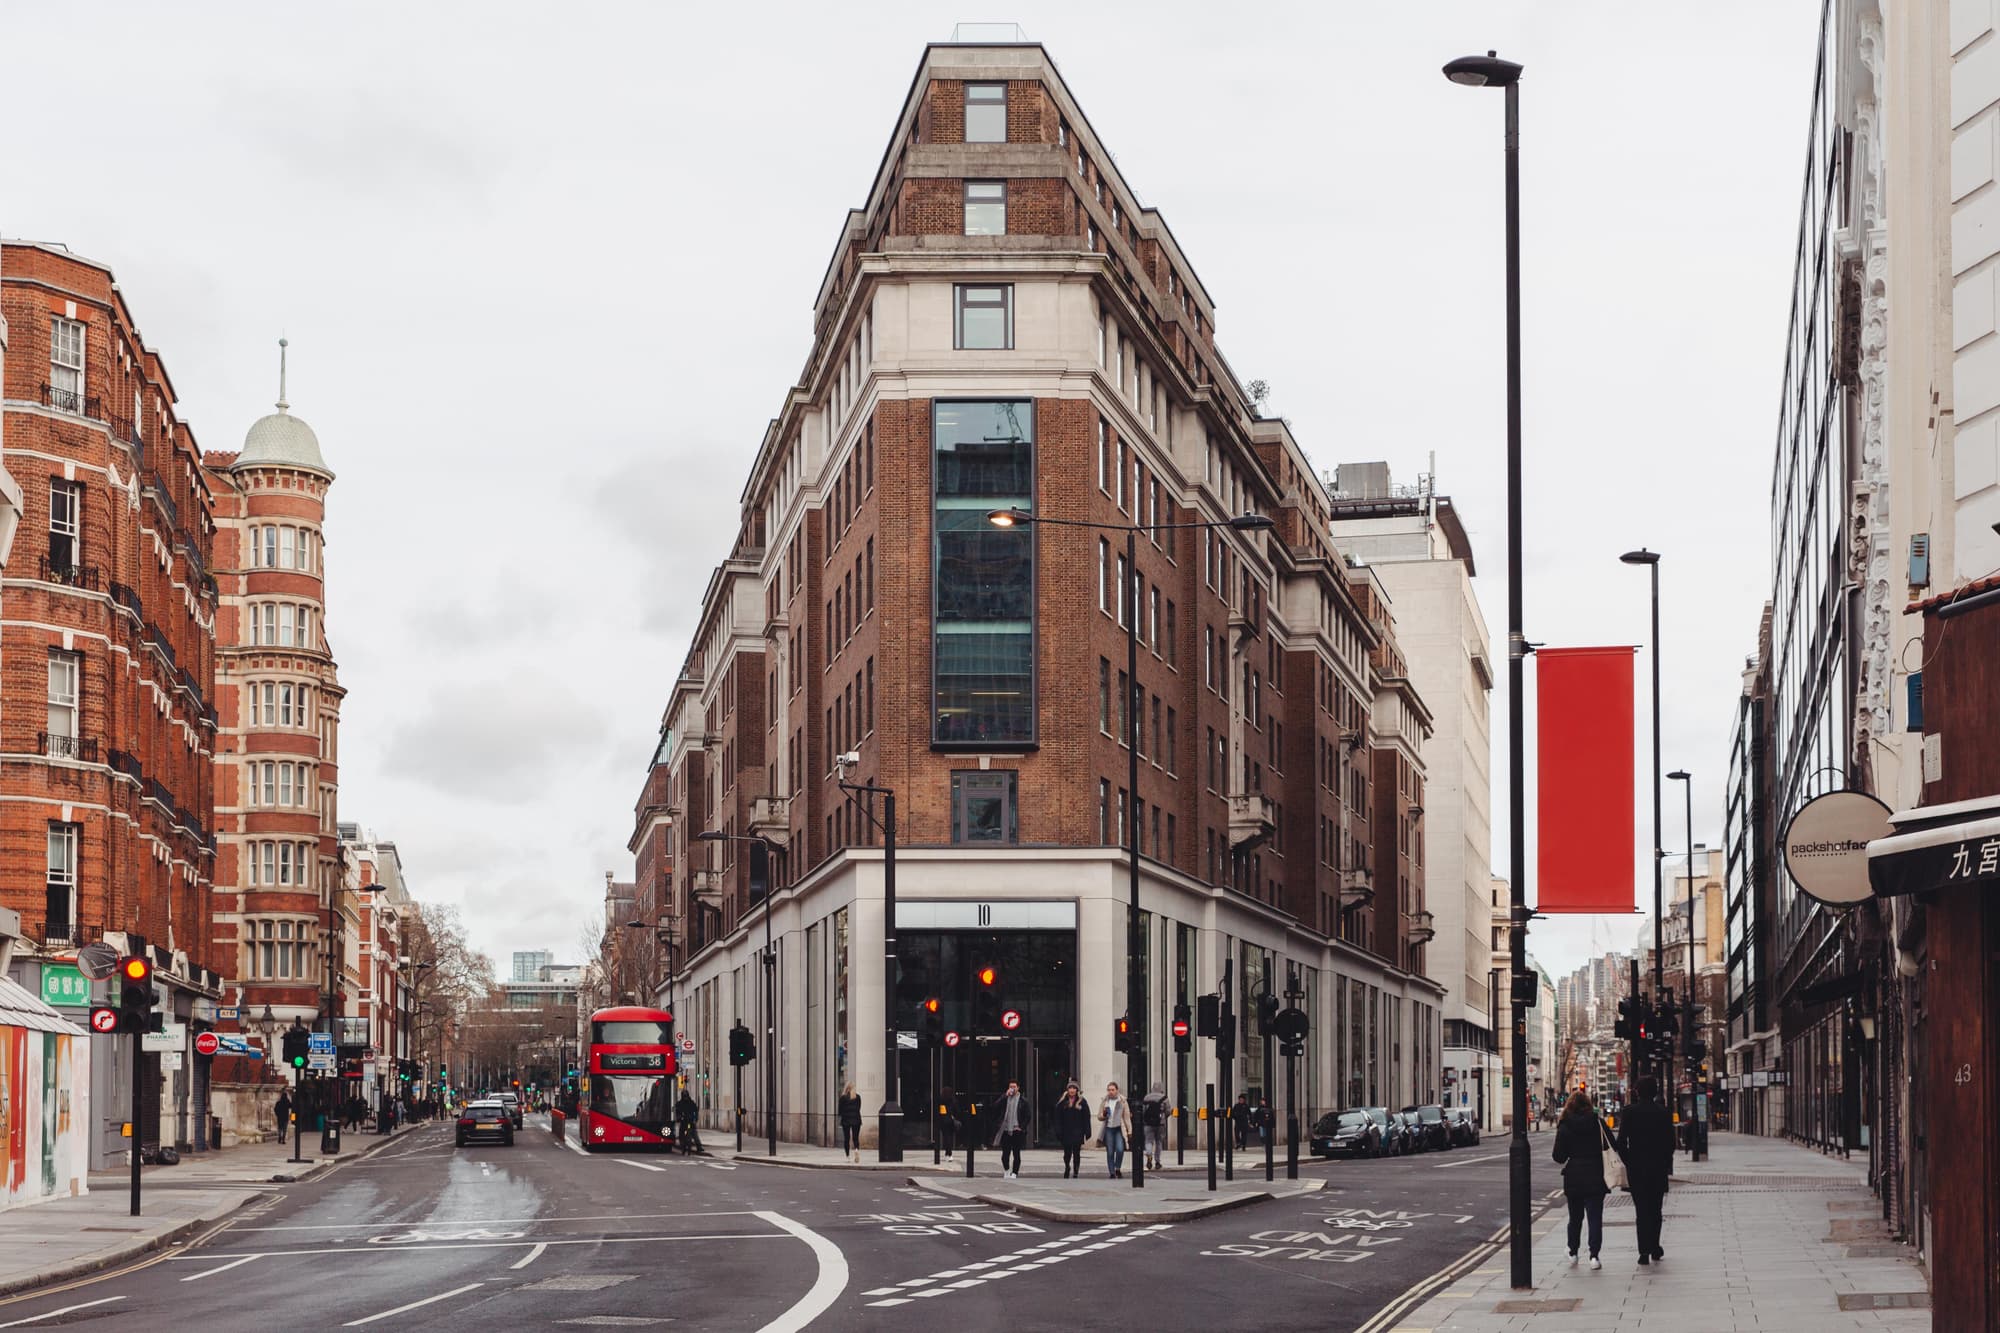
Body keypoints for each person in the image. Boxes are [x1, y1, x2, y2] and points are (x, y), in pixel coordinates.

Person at [1615, 1077, 1676, 1266]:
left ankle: (1643, 1252)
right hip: (1657, 1167)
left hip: (1637, 1168)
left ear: (1637, 1092)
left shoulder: (1629, 1112)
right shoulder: (1664, 1113)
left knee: (1641, 1210)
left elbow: (1621, 1142)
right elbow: (1670, 1143)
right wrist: (1665, 1162)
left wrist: (1629, 1161)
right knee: (1656, 1209)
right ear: (1656, 1091)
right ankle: (1655, 1246)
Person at [1552, 1088, 1611, 1269]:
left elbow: (1559, 1157)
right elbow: (1611, 1145)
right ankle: (1594, 1256)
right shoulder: (1598, 1123)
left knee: (1575, 1218)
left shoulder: (1565, 1125)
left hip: (1574, 1177)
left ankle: (1573, 1251)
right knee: (1595, 1218)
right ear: (1588, 1105)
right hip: (1595, 1174)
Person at [990, 1079, 1031, 1179]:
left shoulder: (1023, 1101)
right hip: (1005, 1129)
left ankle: (1015, 1172)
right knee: (1005, 1154)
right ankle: (1007, 1170)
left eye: (1014, 1087)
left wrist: (1021, 1127)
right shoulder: (1005, 1098)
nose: (1012, 1089)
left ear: (1018, 1088)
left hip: (1017, 1130)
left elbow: (1027, 1116)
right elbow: (995, 1107)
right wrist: (1004, 1096)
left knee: (1016, 1153)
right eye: (1010, 1087)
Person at [1053, 1081, 1091, 1179]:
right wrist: (1058, 1130)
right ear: (1067, 1089)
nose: (1072, 1090)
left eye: (1074, 1088)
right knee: (1067, 1152)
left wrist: (1087, 1131)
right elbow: (1057, 1117)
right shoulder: (1062, 1102)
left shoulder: (1082, 1102)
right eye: (1070, 1088)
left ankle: (1076, 1170)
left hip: (1078, 1131)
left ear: (1077, 1090)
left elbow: (1086, 1117)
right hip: (1066, 1131)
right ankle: (1067, 1167)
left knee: (1076, 1152)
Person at [1099, 1080, 1133, 1179]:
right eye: (1109, 1090)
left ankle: (1117, 1167)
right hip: (1109, 1128)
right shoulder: (1105, 1101)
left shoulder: (1122, 1101)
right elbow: (1099, 1116)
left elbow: (1127, 1117)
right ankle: (1112, 1172)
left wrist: (1130, 1131)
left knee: (1120, 1149)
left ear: (1117, 1090)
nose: (1111, 1092)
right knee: (1110, 1151)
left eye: (1113, 1090)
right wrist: (1104, 1115)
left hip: (1119, 1128)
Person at [1140, 1081, 1170, 1171]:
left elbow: (1143, 1110)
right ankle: (1157, 1162)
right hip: (1160, 1123)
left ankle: (1149, 1154)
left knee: (1148, 1141)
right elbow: (1168, 1110)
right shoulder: (1164, 1098)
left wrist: (1145, 1119)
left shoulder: (1147, 1097)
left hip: (1148, 1123)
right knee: (1159, 1142)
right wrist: (1164, 1117)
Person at [838, 1082, 863, 1163]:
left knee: (847, 1138)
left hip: (846, 1120)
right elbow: (859, 1108)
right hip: (856, 1119)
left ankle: (848, 1156)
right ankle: (856, 1149)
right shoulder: (858, 1097)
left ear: (846, 1088)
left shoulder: (843, 1098)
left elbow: (840, 1111)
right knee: (855, 1137)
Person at [676, 1086, 702, 1155]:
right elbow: (677, 1111)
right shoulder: (682, 1103)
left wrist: (695, 1118)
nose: (685, 1097)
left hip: (689, 1121)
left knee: (693, 1132)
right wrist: (679, 1118)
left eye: (685, 1096)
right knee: (683, 1133)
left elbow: (695, 1111)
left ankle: (698, 1146)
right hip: (684, 1121)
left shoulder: (689, 1103)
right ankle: (698, 1146)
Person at [938, 1086, 959, 1160]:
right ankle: (949, 1153)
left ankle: (948, 1153)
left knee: (946, 1137)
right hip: (950, 1120)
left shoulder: (941, 1100)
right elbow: (956, 1111)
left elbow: (938, 1111)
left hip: (943, 1120)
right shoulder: (953, 1101)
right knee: (949, 1137)